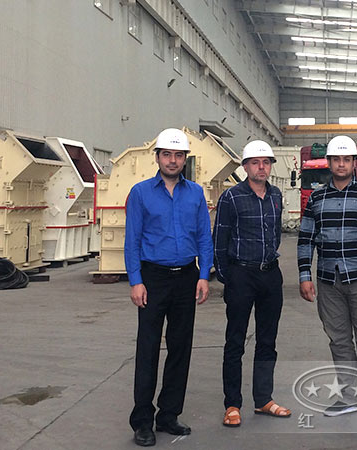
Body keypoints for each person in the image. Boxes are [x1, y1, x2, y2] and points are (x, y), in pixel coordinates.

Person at [124, 128, 213, 447]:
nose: (172, 160)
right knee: (148, 349)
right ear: (158, 157)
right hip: (153, 278)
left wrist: (204, 275)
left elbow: (204, 236)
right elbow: (132, 239)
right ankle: (142, 421)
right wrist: (136, 280)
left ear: (185, 159)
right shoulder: (140, 193)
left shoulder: (195, 194)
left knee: (180, 347)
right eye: (167, 155)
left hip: (186, 277)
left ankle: (169, 414)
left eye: (178, 155)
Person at [297, 135, 357, 423]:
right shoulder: (317, 198)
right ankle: (348, 396)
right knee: (339, 341)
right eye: (336, 159)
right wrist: (304, 275)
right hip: (329, 280)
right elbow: (306, 239)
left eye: (346, 159)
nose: (341, 164)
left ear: (354, 163)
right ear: (329, 163)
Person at [213, 140, 291, 428]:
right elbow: (219, 241)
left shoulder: (276, 195)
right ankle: (232, 404)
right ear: (245, 167)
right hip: (241, 275)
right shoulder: (231, 197)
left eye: (266, 162)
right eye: (256, 162)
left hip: (270, 274)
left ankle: (263, 399)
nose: (261, 167)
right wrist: (229, 277)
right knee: (235, 341)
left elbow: (275, 234)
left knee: (267, 341)